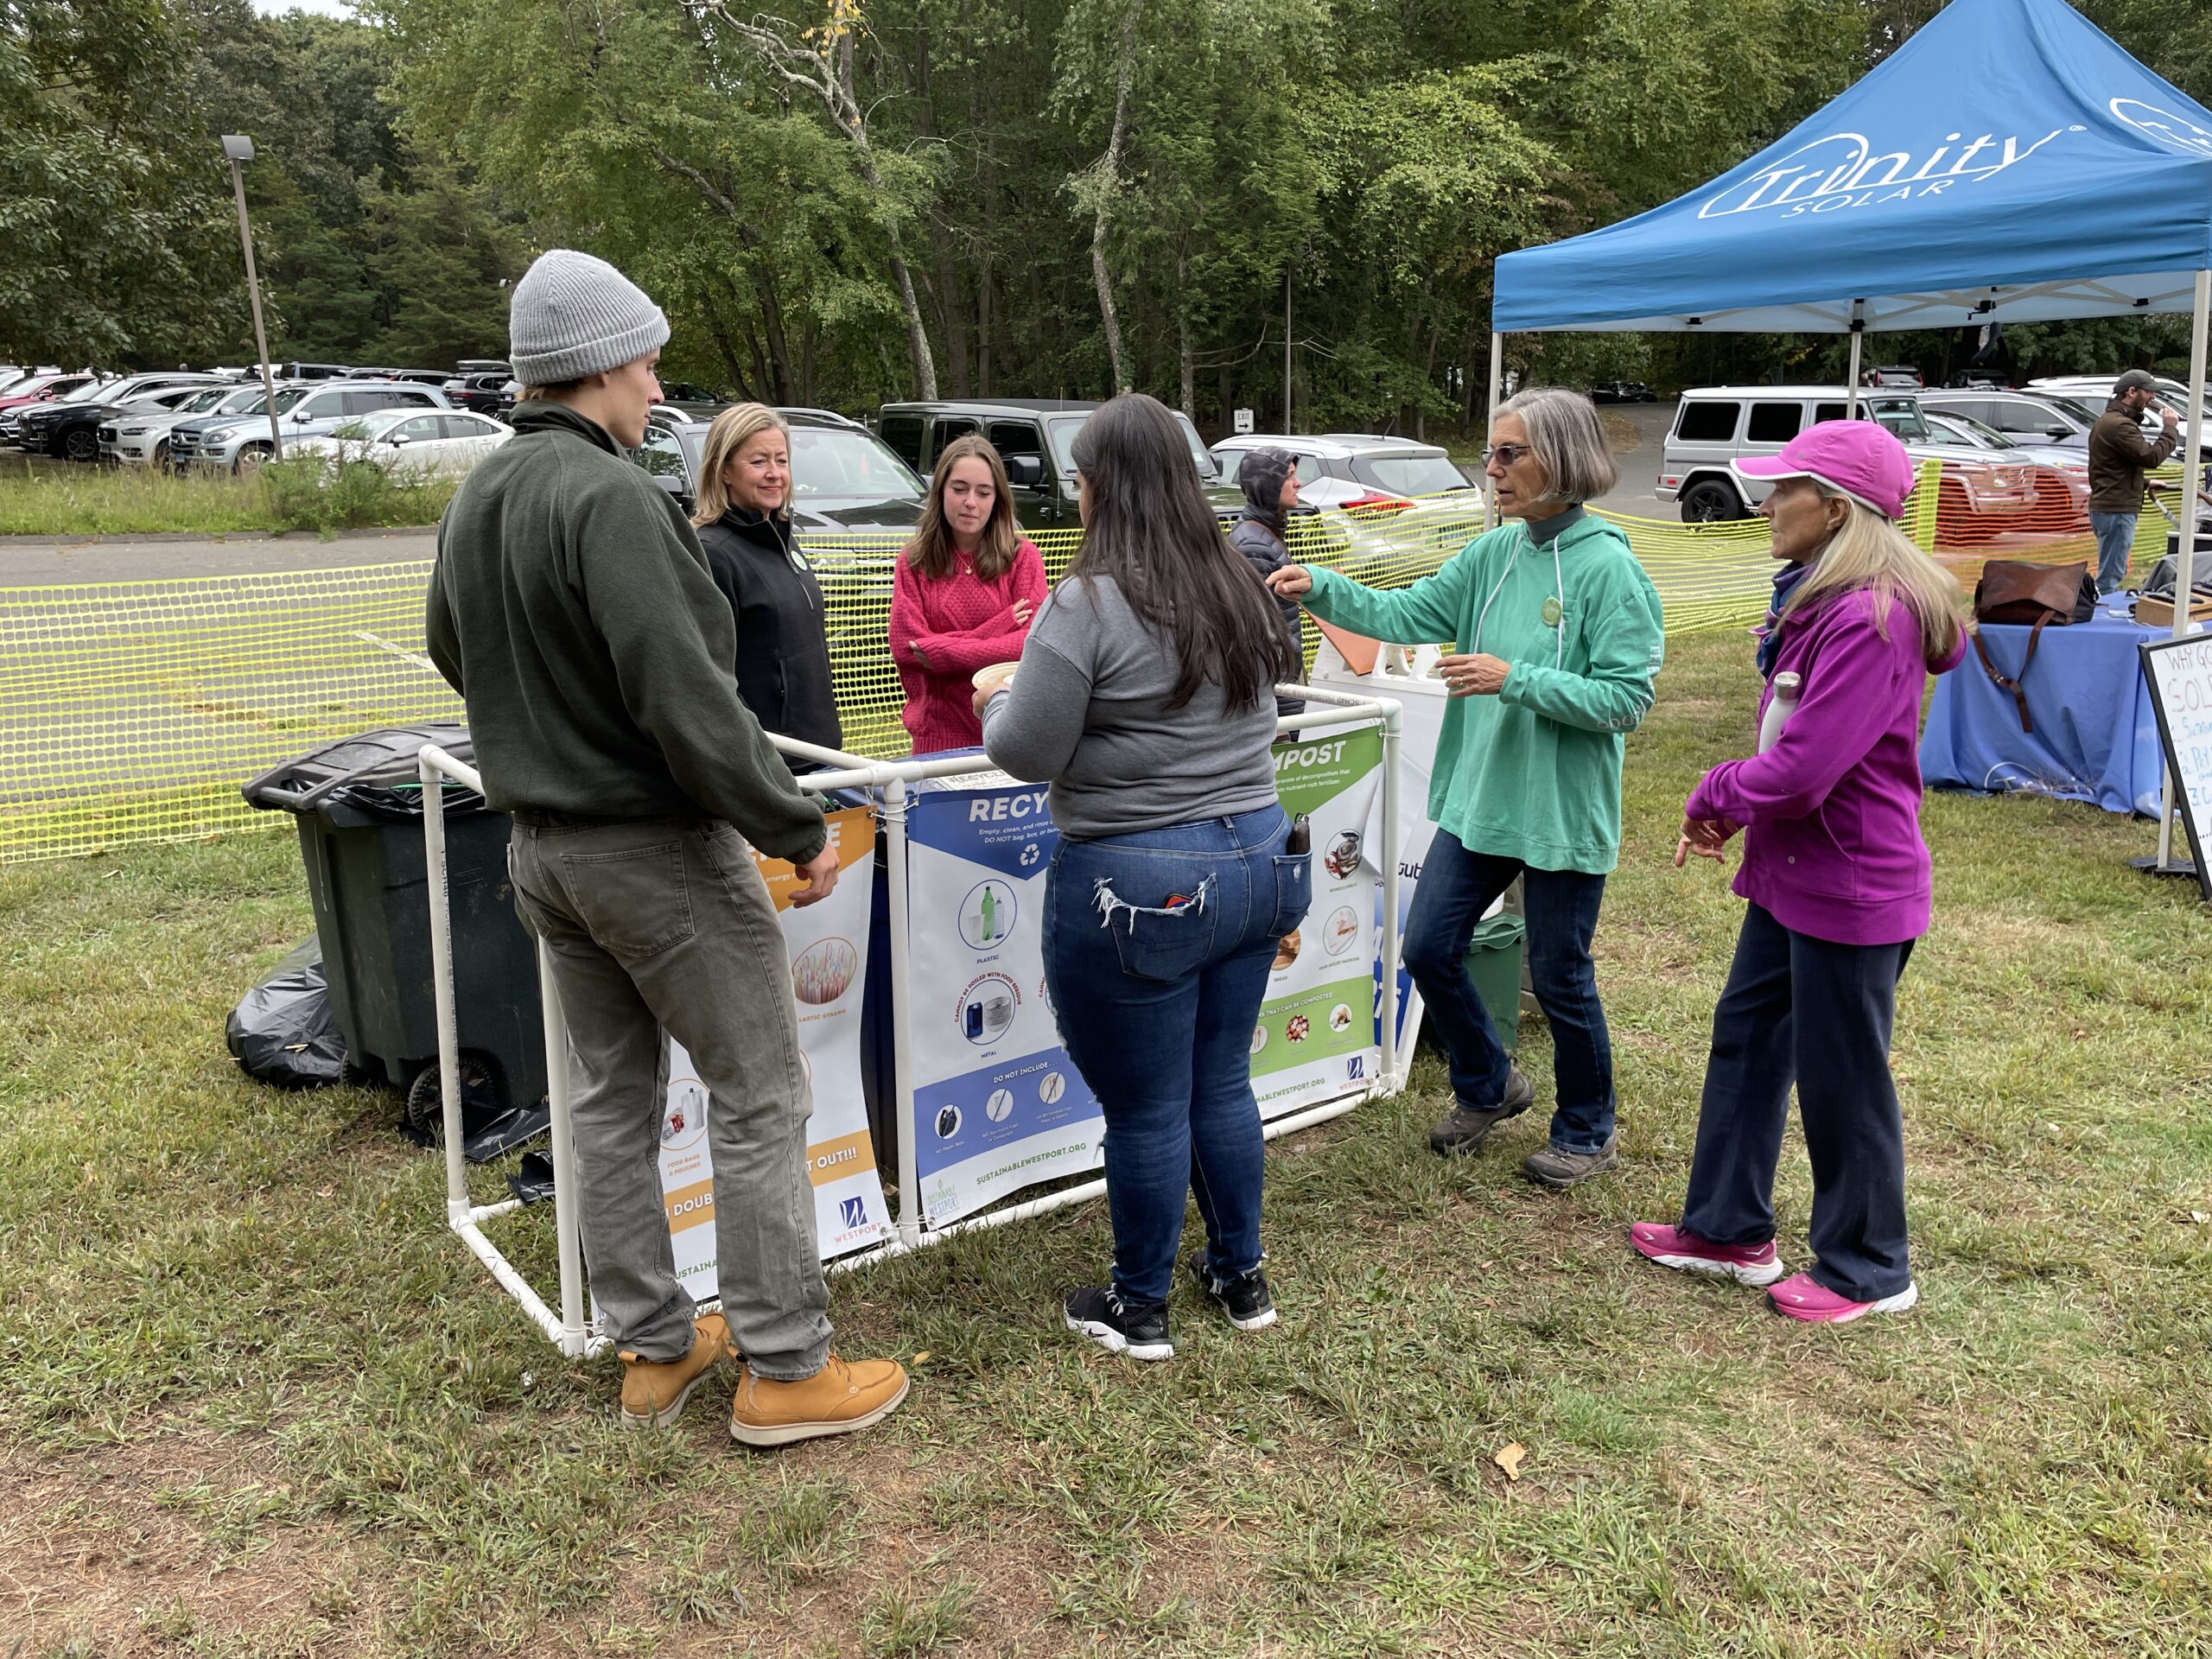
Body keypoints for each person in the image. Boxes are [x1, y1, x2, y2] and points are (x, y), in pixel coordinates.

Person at [425, 249, 906, 1445]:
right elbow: (691, 699)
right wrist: (796, 825)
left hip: (541, 852)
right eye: (646, 356)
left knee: (607, 1098)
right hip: (653, 854)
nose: (656, 381)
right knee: (759, 1095)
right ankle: (787, 1369)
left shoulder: (479, 494)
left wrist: (552, 722)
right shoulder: (617, 500)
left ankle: (654, 1342)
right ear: (596, 365)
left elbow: (455, 648)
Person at [1268, 388, 1663, 1187]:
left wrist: (1514, 678)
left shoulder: (1609, 567)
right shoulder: (1495, 553)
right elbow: (1411, 611)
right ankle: (1491, 1084)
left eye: (1509, 454)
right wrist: (1323, 587)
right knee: (1428, 947)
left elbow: (1627, 701)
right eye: (1491, 454)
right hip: (1480, 800)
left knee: (1560, 976)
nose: (1492, 470)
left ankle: (1588, 1129)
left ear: (1563, 457)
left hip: (1558, 808)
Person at [979, 393, 1305, 1362]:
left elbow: (1026, 750)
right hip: (1259, 860)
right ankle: (1240, 1278)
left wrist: (993, 695)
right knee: (1221, 1085)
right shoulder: (1240, 582)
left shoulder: (1086, 602)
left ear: (1101, 488)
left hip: (1141, 885)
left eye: (1078, 480)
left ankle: (1139, 1305)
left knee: (1151, 1107)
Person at [1636, 422, 1967, 1324]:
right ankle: (1727, 1229)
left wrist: (1713, 791)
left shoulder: (1870, 619)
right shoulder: (1823, 604)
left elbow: (1803, 771)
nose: (1767, 502)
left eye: (1785, 489)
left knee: (1840, 1075)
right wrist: (1729, 810)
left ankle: (1869, 1269)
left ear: (1834, 509)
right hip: (1793, 879)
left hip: (1852, 891)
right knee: (1746, 1042)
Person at [692, 404, 842, 752]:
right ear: (724, 470)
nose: (774, 473)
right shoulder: (712, 554)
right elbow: (711, 678)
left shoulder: (784, 536)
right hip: (774, 761)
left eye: (782, 460)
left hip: (821, 750)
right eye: (759, 461)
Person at [887, 435, 1048, 753]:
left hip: (1007, 735)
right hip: (935, 738)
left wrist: (941, 652)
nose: (970, 502)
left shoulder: (1023, 558)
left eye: (983, 492)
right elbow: (908, 650)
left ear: (997, 498)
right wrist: (996, 628)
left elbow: (1031, 646)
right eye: (959, 489)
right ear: (941, 491)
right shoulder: (913, 561)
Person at [1224, 447, 1306, 718]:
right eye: (1288, 477)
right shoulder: (1253, 546)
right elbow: (1260, 632)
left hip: (1281, 681)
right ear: (1268, 485)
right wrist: (1289, 670)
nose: (1298, 483)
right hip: (1276, 688)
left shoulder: (1263, 533)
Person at [2088, 369, 2182, 595]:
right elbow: (2151, 457)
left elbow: (2111, 469)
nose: (2153, 398)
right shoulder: (2120, 426)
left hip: (2108, 506)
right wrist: (2169, 428)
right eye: (2149, 392)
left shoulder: (2108, 421)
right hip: (2116, 510)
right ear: (2132, 392)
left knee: (2110, 571)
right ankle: (2100, 622)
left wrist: (2145, 483)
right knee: (2110, 578)